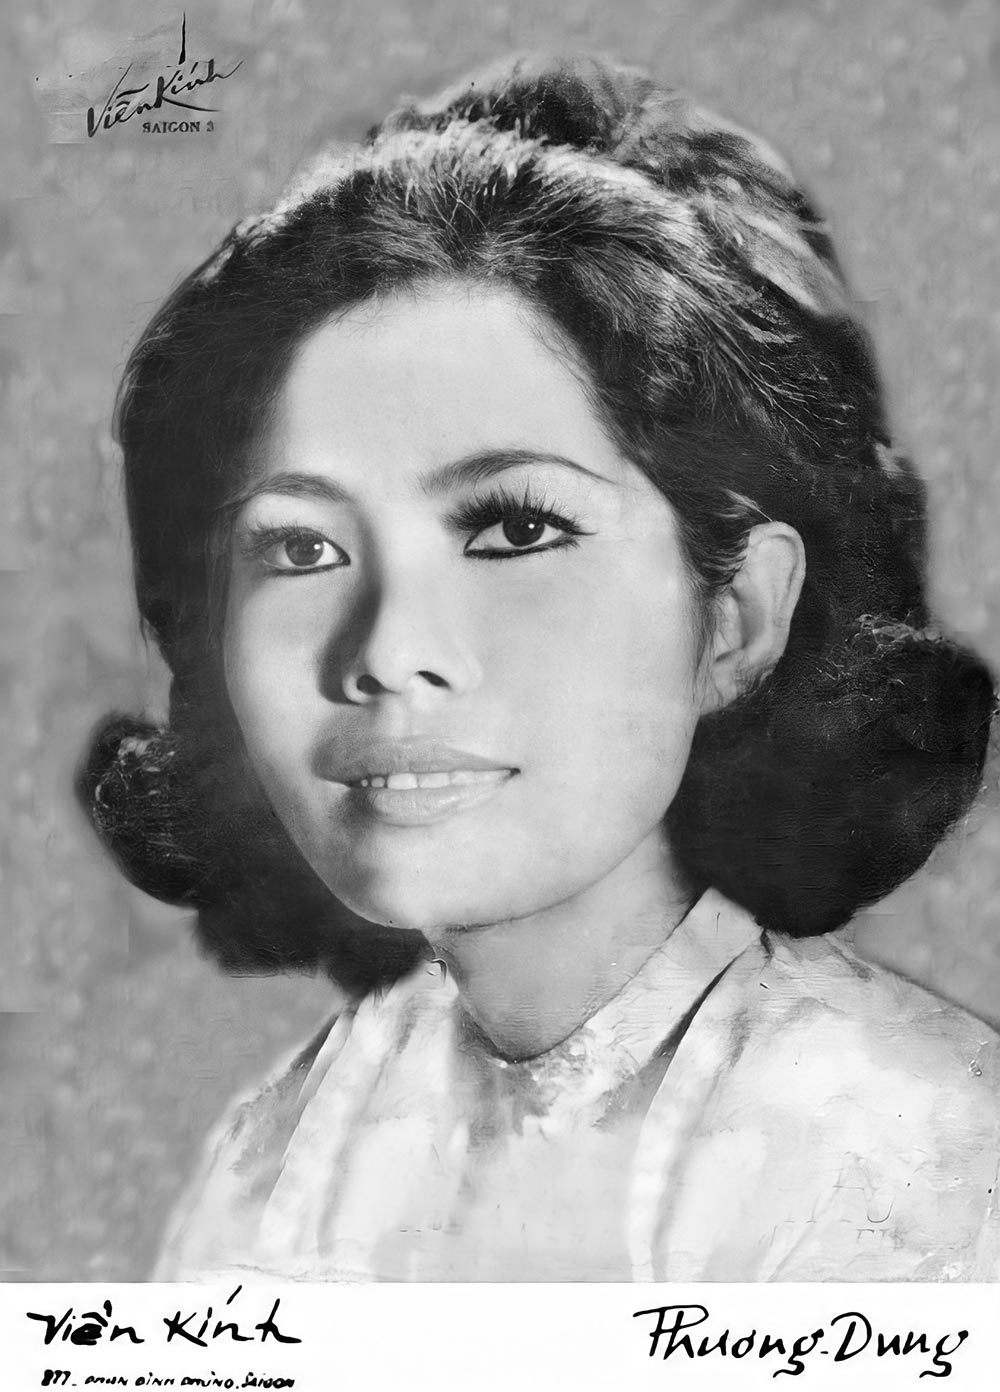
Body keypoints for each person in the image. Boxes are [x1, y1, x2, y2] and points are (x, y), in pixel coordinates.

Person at [79, 56, 999, 1282]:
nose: (388, 653)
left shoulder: (913, 1155)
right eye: (299, 548)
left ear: (732, 618)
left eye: (515, 528)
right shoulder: (282, 1145)